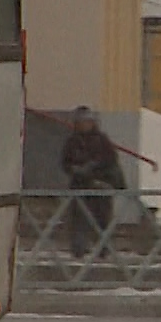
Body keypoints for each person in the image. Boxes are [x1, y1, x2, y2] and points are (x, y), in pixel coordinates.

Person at [60, 106, 126, 260]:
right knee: (79, 220)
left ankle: (103, 251)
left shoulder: (102, 141)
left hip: (100, 188)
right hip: (80, 188)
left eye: (87, 121)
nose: (84, 125)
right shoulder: (72, 141)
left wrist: (96, 172)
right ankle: (79, 251)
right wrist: (77, 170)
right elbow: (65, 163)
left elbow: (110, 162)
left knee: (102, 221)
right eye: (81, 122)